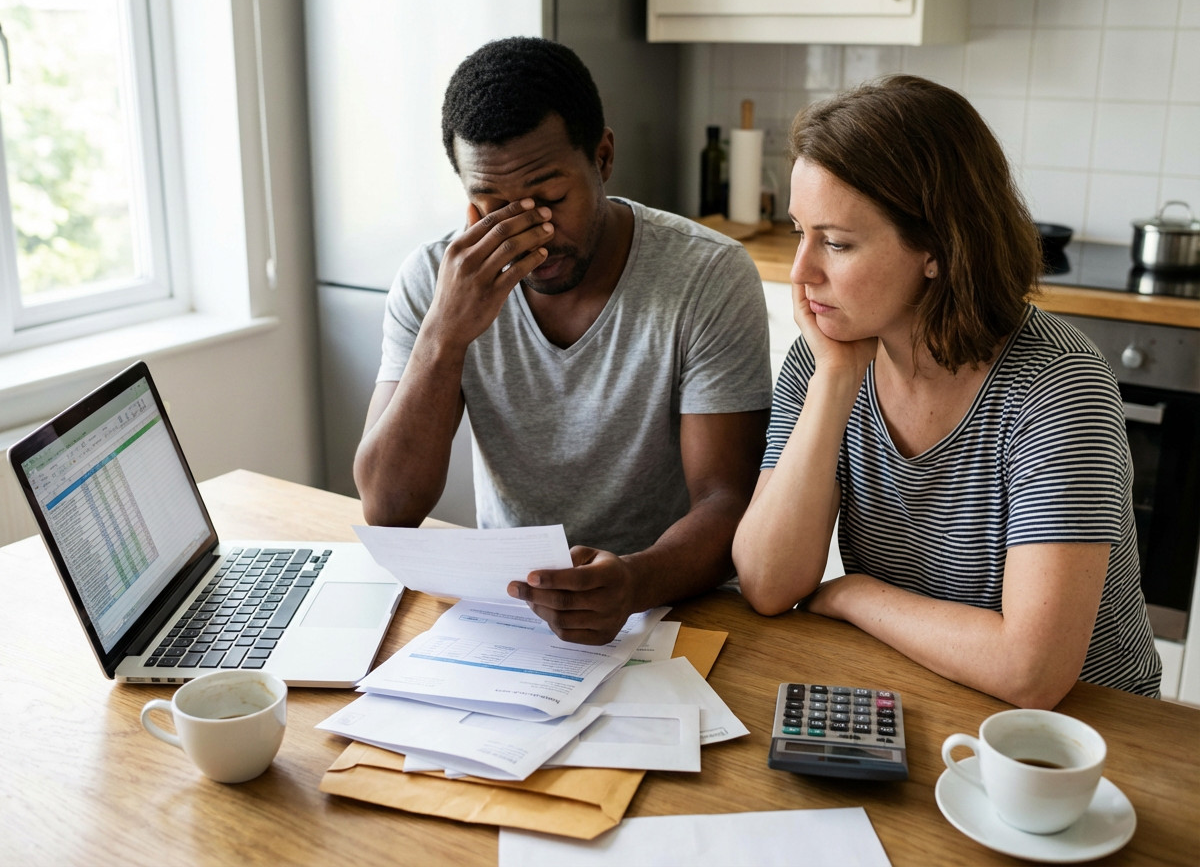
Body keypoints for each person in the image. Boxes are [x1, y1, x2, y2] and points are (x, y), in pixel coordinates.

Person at [732, 76, 1161, 707]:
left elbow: (1030, 672)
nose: (802, 273)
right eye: (800, 231)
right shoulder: (824, 359)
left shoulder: (1057, 386)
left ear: (935, 247)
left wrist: (854, 593)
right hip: (921, 684)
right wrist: (835, 383)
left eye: (838, 243)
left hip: (1089, 731)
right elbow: (767, 583)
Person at [356, 37, 772, 645]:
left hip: (670, 606)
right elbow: (387, 509)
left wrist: (631, 582)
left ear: (602, 157)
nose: (532, 234)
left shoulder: (706, 276)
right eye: (491, 206)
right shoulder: (434, 280)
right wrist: (445, 333)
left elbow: (727, 500)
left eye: (549, 199)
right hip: (507, 612)